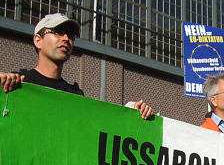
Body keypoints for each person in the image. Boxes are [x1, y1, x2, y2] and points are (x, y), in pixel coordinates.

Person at [0, 13, 152, 119]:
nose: (66, 39)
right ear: (38, 40)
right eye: (58, 32)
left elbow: (99, 122)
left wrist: (130, 112)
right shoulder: (18, 83)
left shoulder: (76, 95)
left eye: (71, 36)